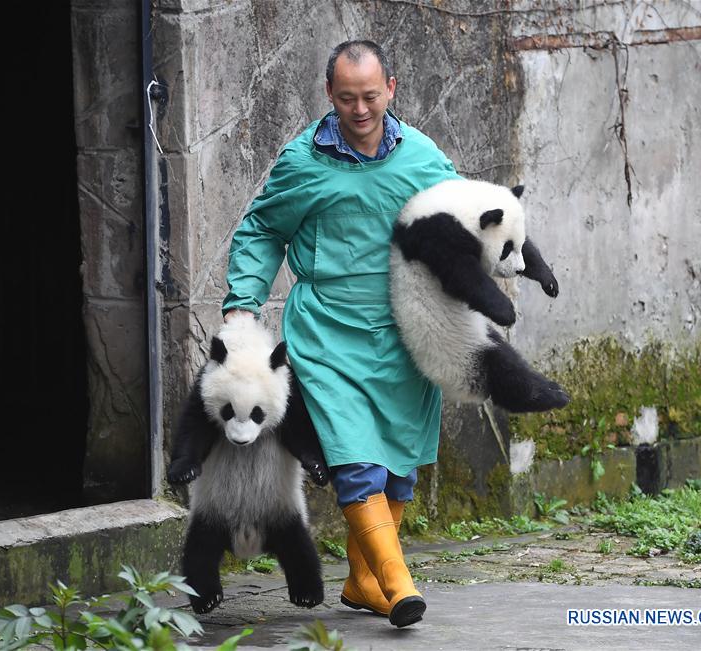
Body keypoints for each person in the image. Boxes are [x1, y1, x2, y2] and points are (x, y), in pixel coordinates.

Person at [222, 40, 462, 628]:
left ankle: (362, 581)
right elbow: (261, 230)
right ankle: (399, 581)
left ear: (392, 90)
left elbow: (465, 217)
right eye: (348, 98)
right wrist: (242, 303)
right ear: (330, 95)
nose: (360, 110)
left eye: (371, 97)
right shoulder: (304, 161)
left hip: (406, 332)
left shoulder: (423, 158)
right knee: (357, 462)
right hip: (329, 333)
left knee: (399, 466)